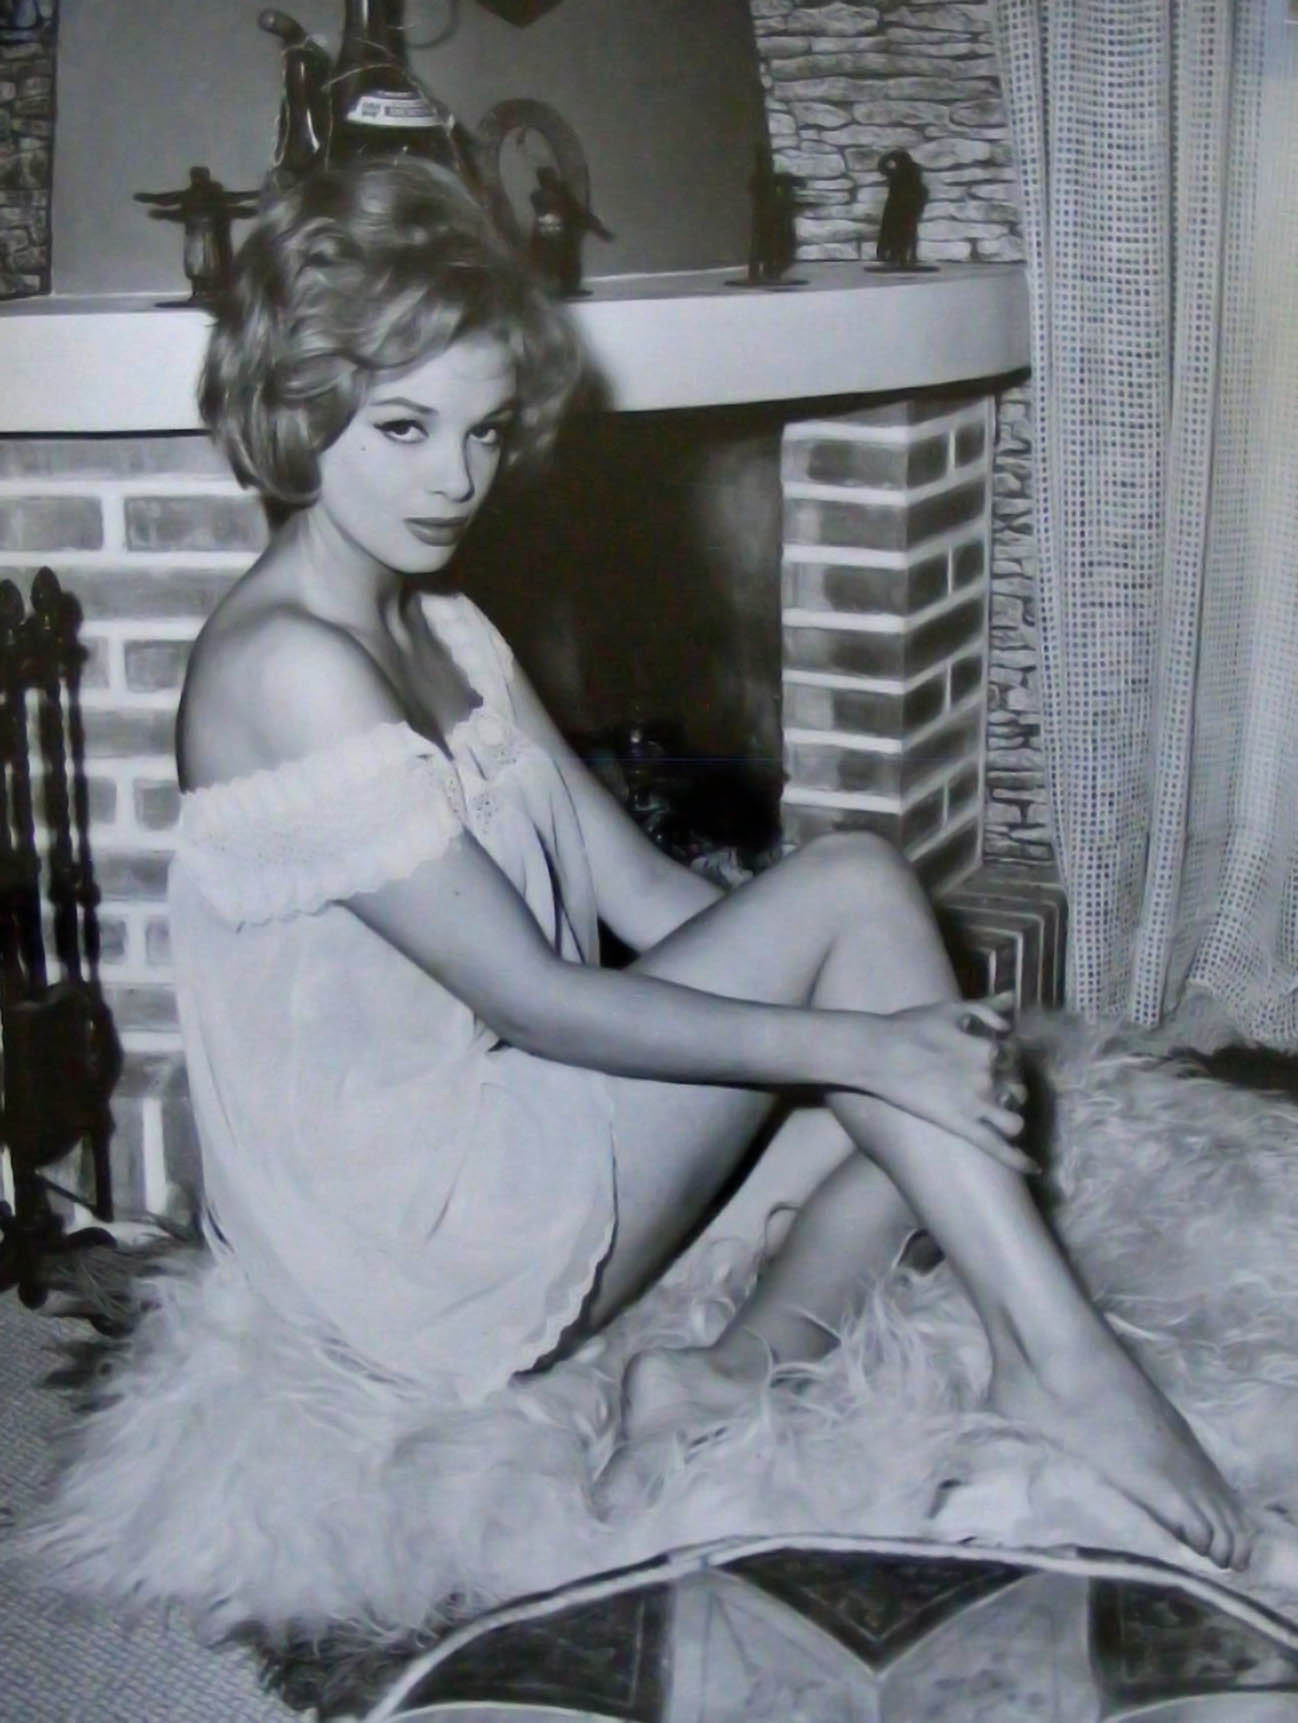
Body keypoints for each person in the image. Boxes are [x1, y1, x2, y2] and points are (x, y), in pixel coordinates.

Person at [167, 156, 1252, 1580]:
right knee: (865, 921)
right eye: (405, 428)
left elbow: (643, 898)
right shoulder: (285, 669)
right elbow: (540, 1000)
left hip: (506, 1139)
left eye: (484, 431)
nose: (455, 480)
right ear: (298, 408)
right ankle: (1059, 1361)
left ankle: (716, 1378)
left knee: (926, 1123)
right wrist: (859, 1038)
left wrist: (886, 1040)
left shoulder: (445, 625)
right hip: (410, 1236)